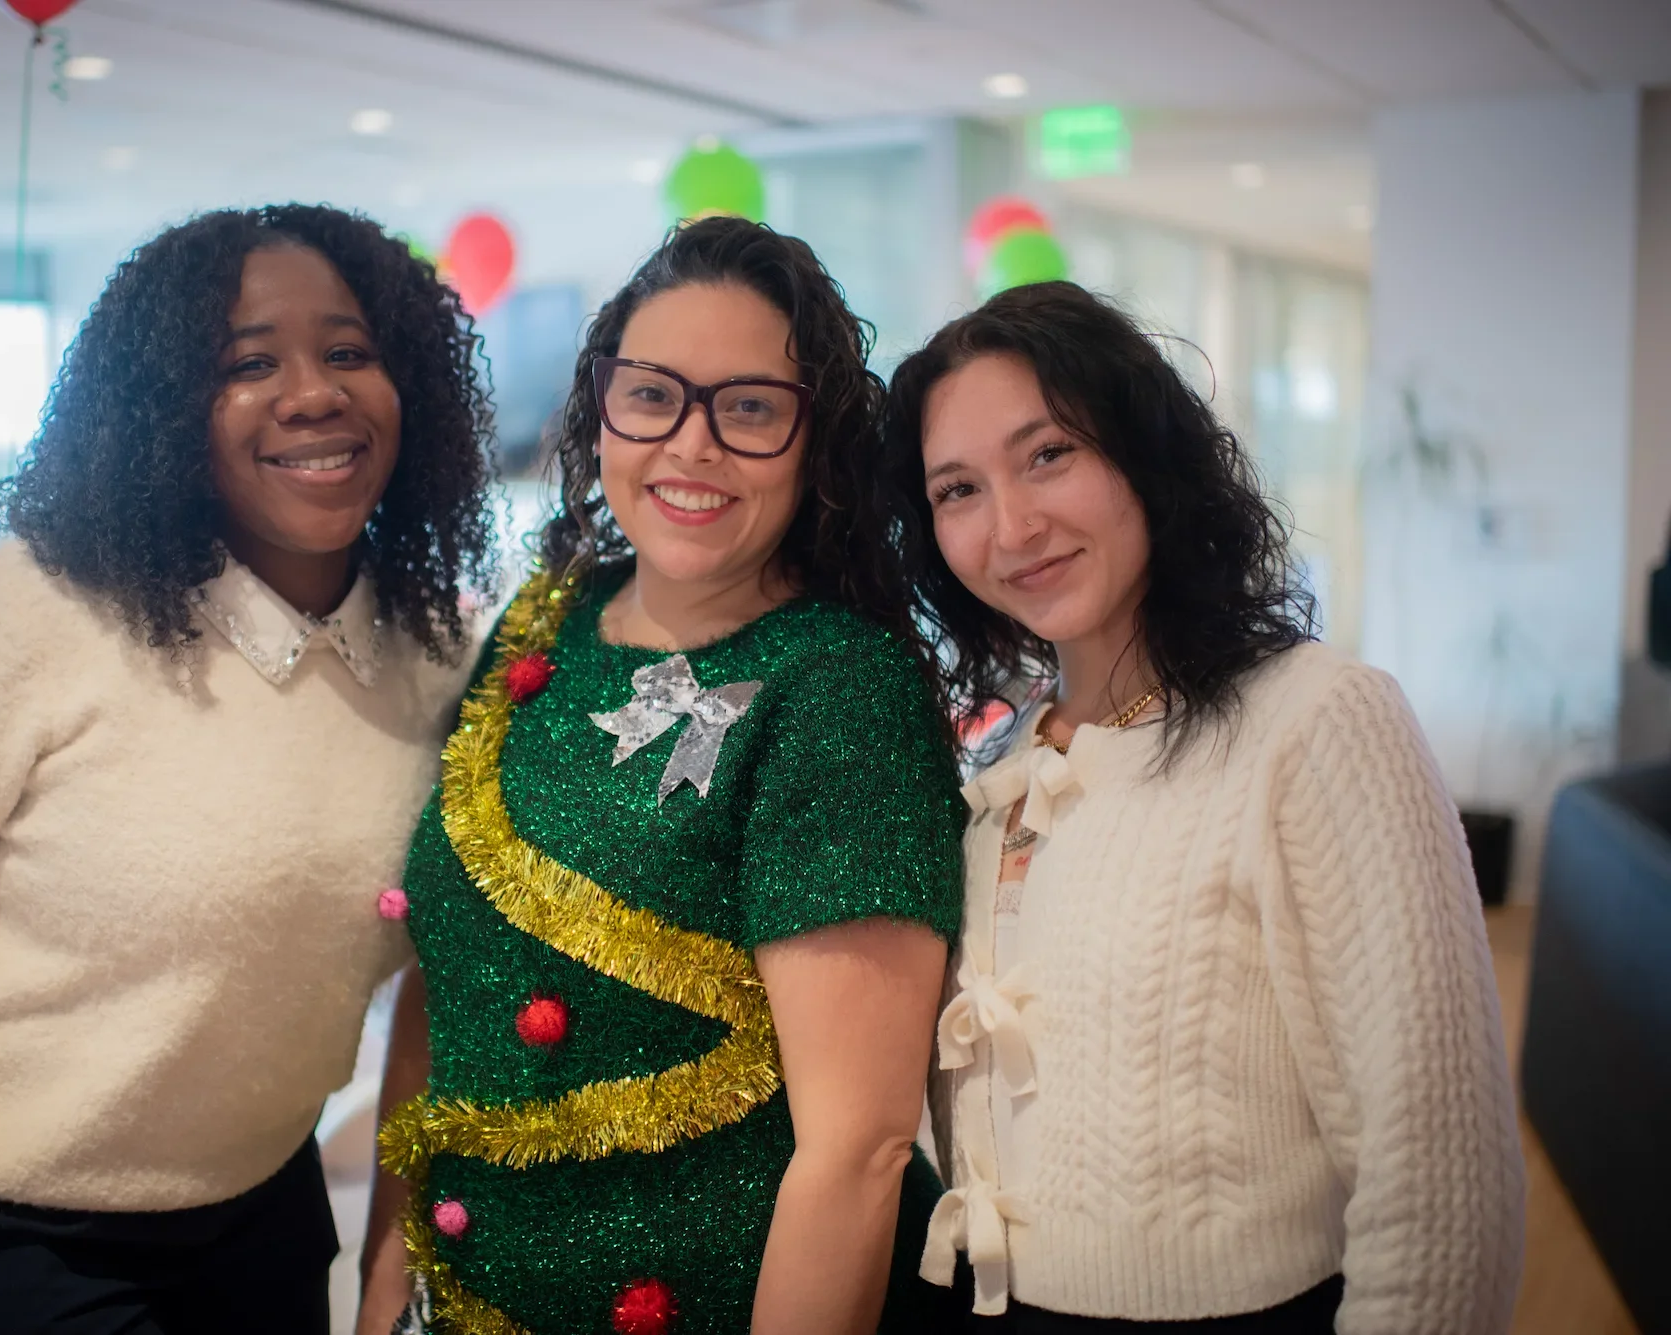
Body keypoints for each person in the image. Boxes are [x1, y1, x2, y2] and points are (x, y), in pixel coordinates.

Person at [0, 203, 495, 1335]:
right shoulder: (17, 614)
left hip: (260, 1233)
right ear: (163, 410)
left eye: (347, 352)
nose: (312, 393)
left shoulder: (431, 657)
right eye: (247, 363)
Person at [876, 282, 1525, 1334]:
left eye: (1047, 455)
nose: (1011, 526)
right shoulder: (999, 755)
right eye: (956, 489)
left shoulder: (1317, 721)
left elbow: (1439, 1183)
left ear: (1141, 451)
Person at [356, 217, 965, 1335]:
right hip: (466, 1294)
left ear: (813, 442)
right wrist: (384, 1270)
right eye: (651, 395)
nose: (690, 447)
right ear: (600, 410)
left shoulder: (838, 688)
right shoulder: (545, 619)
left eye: (747, 409)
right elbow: (447, 977)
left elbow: (858, 1148)